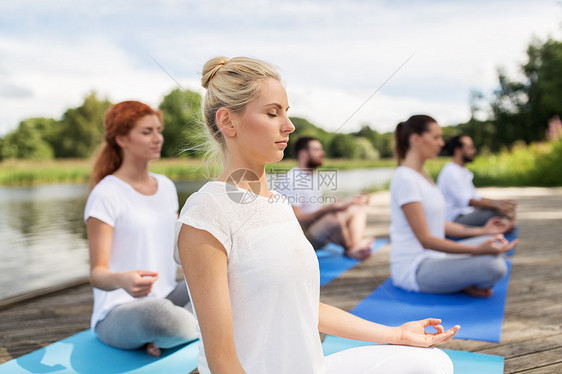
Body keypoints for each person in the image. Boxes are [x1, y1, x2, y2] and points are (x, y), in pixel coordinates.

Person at [175, 56, 459, 374]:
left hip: (311, 367)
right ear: (228, 122)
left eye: (286, 111)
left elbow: (305, 307)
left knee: (432, 363)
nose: (289, 125)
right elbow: (222, 360)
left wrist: (397, 334)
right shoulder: (205, 214)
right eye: (272, 113)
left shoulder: (279, 204)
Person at [84, 100, 198, 357]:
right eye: (147, 132)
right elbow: (97, 274)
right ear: (122, 139)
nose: (157, 138)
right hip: (120, 310)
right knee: (157, 319)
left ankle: (174, 334)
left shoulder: (166, 186)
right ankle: (174, 331)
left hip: (167, 296)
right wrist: (122, 280)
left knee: (229, 278)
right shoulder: (106, 194)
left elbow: (178, 247)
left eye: (158, 130)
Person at [390, 115, 518, 298]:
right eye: (435, 137)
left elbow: (439, 224)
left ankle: (456, 280)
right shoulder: (404, 177)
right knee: (494, 266)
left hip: (437, 258)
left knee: (497, 241)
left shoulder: (424, 176)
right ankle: (457, 281)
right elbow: (426, 240)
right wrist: (476, 250)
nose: (441, 143)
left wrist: (483, 232)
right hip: (416, 267)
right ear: (415, 139)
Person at [276, 136, 373, 260]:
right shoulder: (292, 180)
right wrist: (328, 209)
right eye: (316, 150)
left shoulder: (310, 176)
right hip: (301, 237)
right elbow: (296, 221)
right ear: (303, 154)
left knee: (357, 208)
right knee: (334, 219)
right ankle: (354, 248)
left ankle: (354, 246)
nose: (322, 153)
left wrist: (345, 204)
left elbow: (314, 209)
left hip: (315, 228)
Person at [437, 134, 517, 226]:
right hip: (454, 220)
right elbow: (469, 201)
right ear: (458, 151)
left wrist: (503, 202)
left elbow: (476, 198)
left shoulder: (461, 171)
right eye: (470, 148)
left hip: (465, 215)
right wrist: (498, 205)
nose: (474, 151)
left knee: (500, 210)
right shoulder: (451, 171)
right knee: (494, 212)